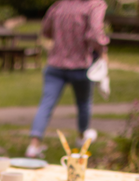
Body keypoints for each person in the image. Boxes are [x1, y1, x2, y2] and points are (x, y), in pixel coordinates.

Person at [25, 0, 109, 159]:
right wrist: (102, 51)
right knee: (84, 103)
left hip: (55, 64)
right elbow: (95, 33)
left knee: (46, 104)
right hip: (81, 65)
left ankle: (33, 146)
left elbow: (46, 30)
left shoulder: (60, 5)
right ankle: (81, 138)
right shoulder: (94, 5)